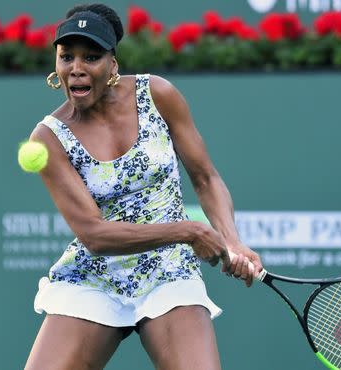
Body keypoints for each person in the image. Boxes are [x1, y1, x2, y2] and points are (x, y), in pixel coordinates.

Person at [24, 3, 263, 370]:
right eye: (66, 56)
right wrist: (189, 231)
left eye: (91, 57)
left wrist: (230, 239)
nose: (76, 68)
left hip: (168, 271)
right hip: (95, 274)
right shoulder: (47, 139)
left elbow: (205, 177)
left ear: (113, 65)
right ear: (56, 66)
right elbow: (95, 235)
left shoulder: (157, 94)